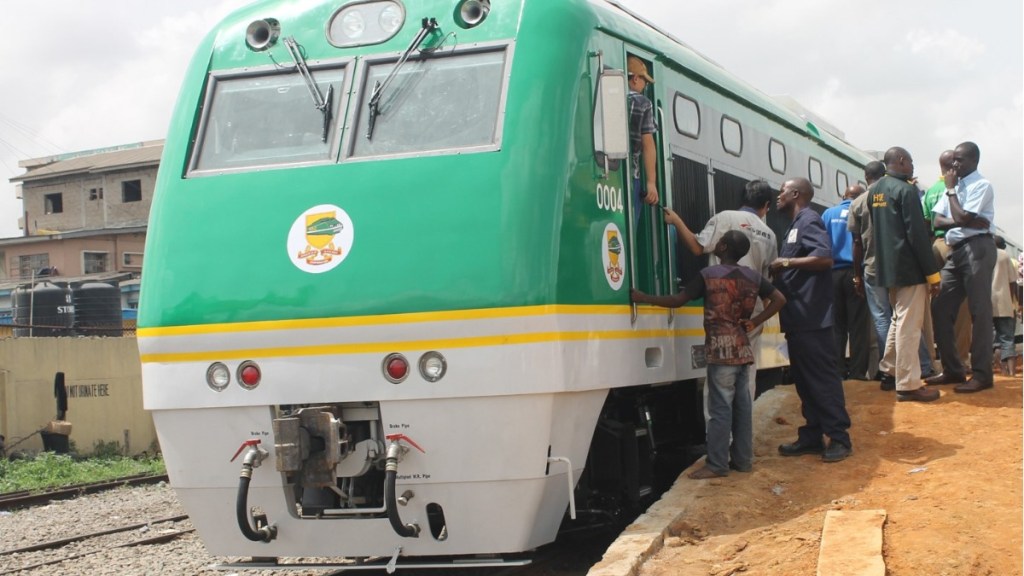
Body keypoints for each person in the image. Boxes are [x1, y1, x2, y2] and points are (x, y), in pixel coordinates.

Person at [632, 230, 786, 479]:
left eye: (719, 240)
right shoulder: (753, 276)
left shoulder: (708, 275)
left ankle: (716, 464)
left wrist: (643, 298)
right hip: (743, 349)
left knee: (719, 409)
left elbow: (678, 300)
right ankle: (743, 460)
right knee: (742, 407)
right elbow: (779, 299)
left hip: (720, 351)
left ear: (723, 247)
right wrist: (756, 320)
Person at [664, 179, 778, 402]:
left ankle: (719, 436)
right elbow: (768, 283)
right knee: (747, 374)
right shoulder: (769, 234)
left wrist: (676, 220)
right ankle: (743, 432)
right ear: (766, 206)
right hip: (752, 312)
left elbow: (697, 247)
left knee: (719, 375)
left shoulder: (725, 218)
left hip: (723, 308)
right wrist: (757, 319)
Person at [769, 177, 853, 463]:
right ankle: (811, 436)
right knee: (805, 381)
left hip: (813, 317)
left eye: (782, 191)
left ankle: (839, 438)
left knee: (821, 379)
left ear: (795, 194)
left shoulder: (809, 220)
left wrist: (787, 262)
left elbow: (825, 258)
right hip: (798, 317)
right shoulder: (794, 225)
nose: (778, 196)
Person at [868, 147, 942, 402]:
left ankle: (889, 369)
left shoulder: (875, 191)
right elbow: (917, 236)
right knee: (910, 326)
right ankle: (908, 384)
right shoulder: (907, 190)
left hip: (887, 269)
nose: (912, 166)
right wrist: (932, 274)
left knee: (898, 321)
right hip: (909, 269)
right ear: (901, 160)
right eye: (910, 161)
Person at [928, 141, 997, 393]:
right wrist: (965, 219)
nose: (954, 165)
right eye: (953, 159)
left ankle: (982, 375)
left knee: (979, 311)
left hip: (978, 248)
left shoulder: (981, 185)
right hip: (956, 252)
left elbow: (959, 217)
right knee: (939, 306)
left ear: (973, 161)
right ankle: (953, 369)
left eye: (960, 160)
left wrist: (954, 199)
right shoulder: (954, 188)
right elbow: (939, 220)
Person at [923, 150, 971, 374]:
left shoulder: (930, 190)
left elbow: (927, 222)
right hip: (954, 244)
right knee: (962, 306)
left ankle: (941, 360)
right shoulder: (959, 186)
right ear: (953, 165)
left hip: (935, 245)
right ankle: (960, 360)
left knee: (938, 303)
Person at [850, 161, 892, 384]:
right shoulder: (894, 194)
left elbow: (857, 243)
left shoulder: (857, 202)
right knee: (901, 316)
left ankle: (889, 367)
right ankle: (917, 364)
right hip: (896, 267)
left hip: (872, 266)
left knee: (881, 318)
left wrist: (857, 274)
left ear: (865, 177)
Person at [823, 184, 870, 380]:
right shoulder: (862, 211)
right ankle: (858, 373)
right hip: (856, 271)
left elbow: (822, 243)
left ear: (844, 195)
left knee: (837, 326)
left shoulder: (827, 214)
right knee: (858, 326)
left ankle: (838, 371)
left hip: (832, 274)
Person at [627, 55, 659, 225]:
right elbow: (648, 145)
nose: (645, 86)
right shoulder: (642, 103)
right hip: (632, 174)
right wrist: (651, 183)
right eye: (644, 81)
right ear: (635, 78)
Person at [991, 236, 1018, 376]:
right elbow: (1013, 281)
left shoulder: (982, 255)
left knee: (995, 341)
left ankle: (1002, 371)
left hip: (987, 304)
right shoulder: (1004, 256)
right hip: (1004, 302)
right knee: (1007, 338)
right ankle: (1012, 372)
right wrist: (1012, 299)